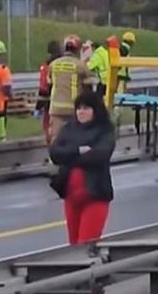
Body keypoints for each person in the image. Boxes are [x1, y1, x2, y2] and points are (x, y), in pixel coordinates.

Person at [49, 89, 116, 246]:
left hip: (95, 196)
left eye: (86, 108)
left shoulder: (105, 129)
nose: (81, 112)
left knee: (85, 244)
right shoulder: (69, 129)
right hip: (71, 198)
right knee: (73, 245)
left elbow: (100, 154)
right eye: (79, 108)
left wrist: (69, 157)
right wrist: (78, 151)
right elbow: (55, 153)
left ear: (95, 110)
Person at [48, 34, 94, 144]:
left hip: (55, 107)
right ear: (77, 49)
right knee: (75, 138)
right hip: (74, 108)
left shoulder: (53, 64)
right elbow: (88, 88)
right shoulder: (80, 66)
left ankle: (55, 153)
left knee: (56, 137)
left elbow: (49, 84)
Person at [37, 40, 62, 146]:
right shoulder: (66, 64)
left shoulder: (46, 66)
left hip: (50, 100)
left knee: (49, 126)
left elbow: (43, 87)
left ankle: (52, 147)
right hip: (66, 99)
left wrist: (38, 106)